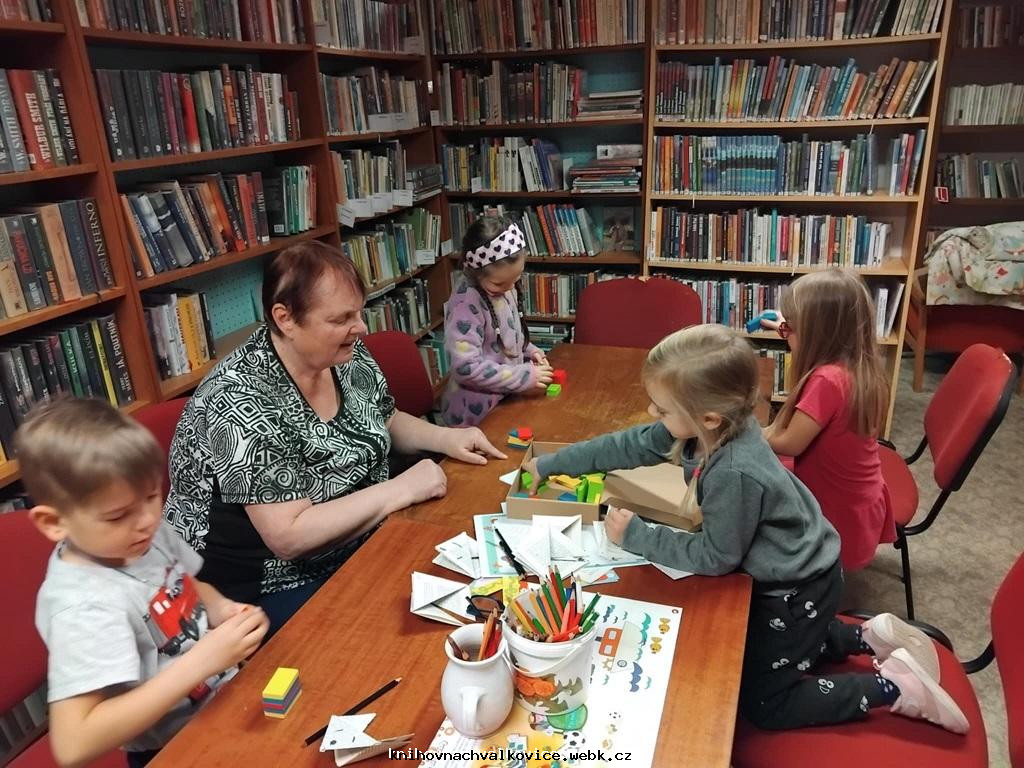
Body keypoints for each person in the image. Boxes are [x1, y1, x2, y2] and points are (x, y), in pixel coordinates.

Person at [523, 325, 968, 734]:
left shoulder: (732, 471)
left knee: (765, 702)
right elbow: (628, 444)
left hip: (796, 588)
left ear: (708, 417)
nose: (651, 412)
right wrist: (552, 463)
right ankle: (865, 636)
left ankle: (895, 687)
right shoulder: (713, 422)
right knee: (761, 643)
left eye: (662, 408)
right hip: (802, 571)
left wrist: (637, 536)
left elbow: (716, 557)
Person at [164, 241, 505, 637]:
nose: (361, 327)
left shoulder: (342, 352)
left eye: (358, 311)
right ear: (285, 319)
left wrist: (446, 437)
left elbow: (382, 417)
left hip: (358, 539)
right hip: (266, 586)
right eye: (342, 318)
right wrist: (401, 489)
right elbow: (289, 537)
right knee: (399, 638)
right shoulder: (239, 398)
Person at [22, 398, 269, 768]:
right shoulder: (83, 607)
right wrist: (201, 662)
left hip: (228, 701)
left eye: (152, 495)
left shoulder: (139, 534)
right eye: (117, 515)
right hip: (174, 747)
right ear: (54, 523)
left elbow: (184, 584)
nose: (147, 520)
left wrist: (222, 608)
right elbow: (75, 744)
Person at [760, 268, 895, 571]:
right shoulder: (860, 366)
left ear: (816, 333)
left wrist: (748, 431)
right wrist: (784, 325)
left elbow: (789, 444)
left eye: (790, 329)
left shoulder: (827, 381)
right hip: (860, 496)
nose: (786, 334)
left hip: (836, 508)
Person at [441, 215, 553, 427]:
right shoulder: (465, 304)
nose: (509, 288)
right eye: (499, 284)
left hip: (504, 400)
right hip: (474, 417)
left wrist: (529, 350)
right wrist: (523, 376)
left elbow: (504, 335)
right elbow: (465, 368)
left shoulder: (503, 287)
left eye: (516, 279)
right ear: (476, 273)